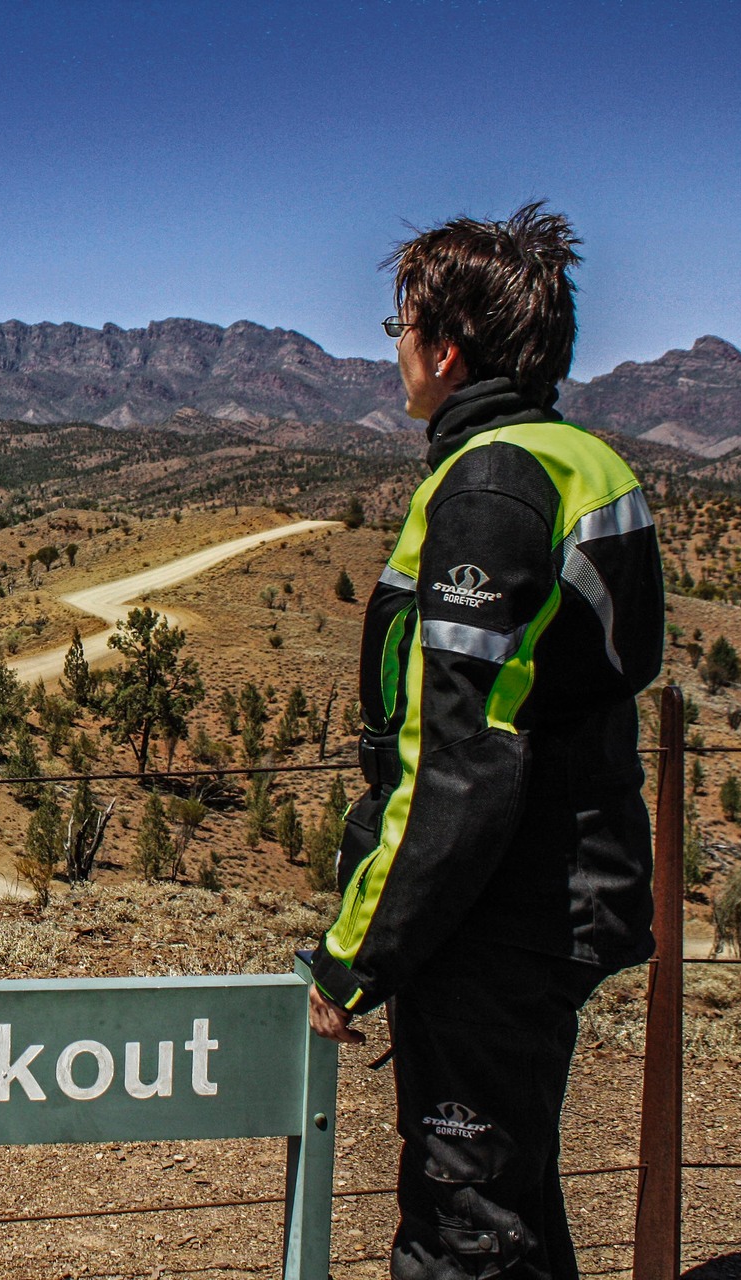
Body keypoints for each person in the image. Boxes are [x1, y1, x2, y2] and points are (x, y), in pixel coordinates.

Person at [305, 203, 664, 1279]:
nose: (396, 352)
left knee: (463, 1224)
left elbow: (457, 761)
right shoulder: (582, 460)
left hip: (501, 909)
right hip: (565, 885)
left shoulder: (490, 486)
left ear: (446, 348)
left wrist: (358, 955)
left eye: (400, 328)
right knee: (515, 1198)